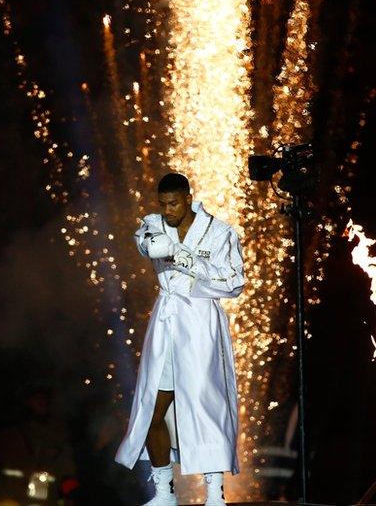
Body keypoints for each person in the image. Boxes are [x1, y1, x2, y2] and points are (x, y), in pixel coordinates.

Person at [115, 173, 246, 506]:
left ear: (189, 197)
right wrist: (156, 244)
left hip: (201, 323)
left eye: (173, 203)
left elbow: (233, 282)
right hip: (167, 322)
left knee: (206, 405)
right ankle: (164, 492)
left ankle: (214, 493)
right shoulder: (154, 224)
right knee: (151, 409)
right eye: (162, 203)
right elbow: (144, 240)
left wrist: (187, 259)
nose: (167, 209)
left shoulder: (220, 232)